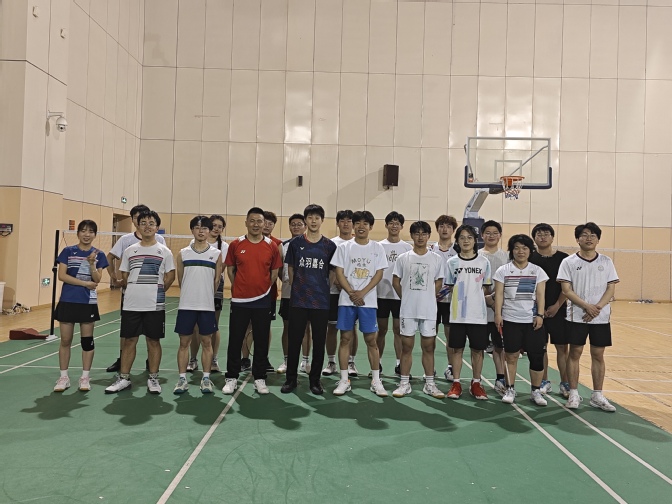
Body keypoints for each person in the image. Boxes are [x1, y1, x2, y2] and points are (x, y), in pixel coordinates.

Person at [105, 210, 175, 394]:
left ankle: (153, 378)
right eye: (143, 223)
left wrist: (157, 292)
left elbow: (170, 277)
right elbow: (125, 275)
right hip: (131, 304)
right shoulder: (130, 250)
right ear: (137, 226)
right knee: (129, 341)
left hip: (154, 305)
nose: (147, 226)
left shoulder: (164, 251)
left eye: (151, 223)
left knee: (153, 341)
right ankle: (124, 378)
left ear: (157, 227)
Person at [557, 222, 619, 412]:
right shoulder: (568, 262)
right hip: (577, 316)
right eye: (584, 235)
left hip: (600, 317)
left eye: (593, 235)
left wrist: (597, 308)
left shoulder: (606, 261)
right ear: (578, 239)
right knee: (575, 353)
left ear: (598, 239)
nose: (589, 238)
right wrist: (586, 306)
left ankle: (597, 395)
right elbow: (566, 290)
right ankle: (573, 393)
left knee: (598, 355)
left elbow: (611, 288)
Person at [222, 207, 282, 395]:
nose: (256, 224)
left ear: (264, 224)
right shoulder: (236, 244)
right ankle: (231, 377)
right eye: (252, 221)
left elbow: (274, 273)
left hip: (262, 301)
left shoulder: (272, 246)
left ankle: (260, 378)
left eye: (259, 221)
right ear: (246, 222)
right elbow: (230, 269)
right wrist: (239, 288)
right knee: (235, 339)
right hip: (239, 301)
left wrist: (263, 289)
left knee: (261, 340)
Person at [281, 204, 338, 395]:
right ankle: (291, 379)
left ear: (322, 220)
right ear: (306, 220)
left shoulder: (329, 246)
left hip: (320, 302)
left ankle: (315, 381)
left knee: (319, 341)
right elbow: (290, 268)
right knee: (295, 340)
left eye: (317, 218)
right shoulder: (295, 244)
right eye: (310, 218)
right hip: (298, 300)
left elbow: (332, 272)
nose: (313, 221)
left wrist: (323, 288)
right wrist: (298, 286)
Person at [330, 210, 388, 397]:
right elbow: (339, 272)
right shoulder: (344, 247)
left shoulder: (377, 248)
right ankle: (344, 380)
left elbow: (379, 274)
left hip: (367, 302)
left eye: (365, 223)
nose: (361, 226)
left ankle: (376, 380)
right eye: (358, 223)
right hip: (346, 301)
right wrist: (351, 293)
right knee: (345, 339)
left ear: (371, 227)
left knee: (371, 340)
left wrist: (362, 293)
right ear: (353, 226)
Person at [53, 220, 109, 392]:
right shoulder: (68, 251)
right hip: (68, 301)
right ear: (77, 233)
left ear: (95, 235)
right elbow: (62, 276)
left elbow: (97, 279)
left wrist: (92, 263)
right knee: (65, 340)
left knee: (87, 341)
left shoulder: (99, 254)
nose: (87, 234)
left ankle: (85, 377)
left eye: (91, 231)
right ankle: (64, 377)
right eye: (83, 231)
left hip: (87, 303)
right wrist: (84, 284)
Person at [391, 221, 445, 399]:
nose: (420, 237)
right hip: (408, 310)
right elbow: (396, 281)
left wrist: (428, 296)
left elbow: (439, 282)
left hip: (428, 310)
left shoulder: (436, 259)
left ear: (429, 236)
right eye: (417, 233)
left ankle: (430, 384)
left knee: (429, 347)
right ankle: (404, 383)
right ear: (412, 235)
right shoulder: (403, 258)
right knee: (406, 347)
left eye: (424, 233)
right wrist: (406, 297)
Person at [493, 234, 549, 406]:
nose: (520, 251)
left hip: (532, 320)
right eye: (516, 248)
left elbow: (541, 295)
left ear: (530, 251)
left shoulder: (537, 271)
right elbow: (499, 294)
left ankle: (536, 391)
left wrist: (540, 315)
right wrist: (498, 314)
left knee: (537, 357)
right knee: (511, 356)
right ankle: (510, 389)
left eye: (524, 248)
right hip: (510, 319)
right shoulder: (503, 270)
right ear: (511, 250)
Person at [173, 216, 223, 395]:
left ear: (210, 231)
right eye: (197, 227)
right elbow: (181, 279)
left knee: (207, 342)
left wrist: (205, 296)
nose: (201, 231)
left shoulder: (216, 254)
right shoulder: (183, 253)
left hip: (207, 306)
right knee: (184, 343)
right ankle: (182, 379)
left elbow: (216, 281)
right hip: (186, 305)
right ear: (192, 230)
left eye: (204, 228)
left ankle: (206, 379)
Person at [443, 225, 492, 400]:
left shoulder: (484, 262)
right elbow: (450, 287)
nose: (466, 241)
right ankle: (456, 383)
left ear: (475, 240)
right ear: (457, 241)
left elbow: (486, 288)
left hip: (478, 315)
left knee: (477, 350)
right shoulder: (451, 263)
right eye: (462, 237)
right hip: (458, 315)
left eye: (469, 237)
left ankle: (476, 383)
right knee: (457, 349)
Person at [530, 223, 570, 397]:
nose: (543, 237)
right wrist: (539, 309)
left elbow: (568, 286)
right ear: (534, 238)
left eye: (546, 234)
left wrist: (557, 305)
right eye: (539, 234)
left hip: (558, 310)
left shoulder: (564, 259)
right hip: (536, 311)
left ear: (552, 237)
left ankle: (565, 383)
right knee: (541, 348)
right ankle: (544, 381)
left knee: (562, 347)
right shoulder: (530, 258)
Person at [240, 210, 282, 372]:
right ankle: (245, 359)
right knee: (247, 326)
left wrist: (266, 287)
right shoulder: (242, 243)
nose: (267, 225)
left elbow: (276, 271)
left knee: (265, 327)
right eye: (266, 222)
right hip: (246, 295)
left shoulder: (276, 244)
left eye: (271, 223)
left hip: (268, 295)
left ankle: (263, 358)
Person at [187, 215, 229, 374]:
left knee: (213, 325)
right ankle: (193, 359)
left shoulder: (224, 246)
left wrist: (211, 284)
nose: (217, 228)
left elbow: (220, 268)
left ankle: (213, 359)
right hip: (196, 285)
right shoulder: (192, 243)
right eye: (214, 225)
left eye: (220, 226)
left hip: (215, 286)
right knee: (195, 326)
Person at [322, 210, 359, 377]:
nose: (346, 224)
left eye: (349, 221)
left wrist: (348, 287)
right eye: (342, 220)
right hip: (333, 292)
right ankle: (331, 362)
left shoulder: (358, 243)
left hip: (352, 293)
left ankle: (351, 362)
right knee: (331, 327)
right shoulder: (331, 244)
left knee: (351, 328)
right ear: (337, 223)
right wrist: (337, 282)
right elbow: (329, 268)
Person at [376, 211, 412, 377]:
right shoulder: (379, 246)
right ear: (386, 225)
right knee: (381, 330)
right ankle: (377, 362)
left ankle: (399, 364)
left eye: (397, 223)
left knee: (398, 330)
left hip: (400, 296)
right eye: (391, 223)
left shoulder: (407, 248)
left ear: (401, 226)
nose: (394, 226)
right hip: (381, 295)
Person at [277, 214, 312, 374]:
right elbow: (279, 270)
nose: (296, 227)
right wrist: (289, 283)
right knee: (287, 327)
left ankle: (305, 361)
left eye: (299, 224)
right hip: (288, 294)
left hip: (307, 295)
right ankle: (286, 360)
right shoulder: (283, 246)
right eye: (293, 224)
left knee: (306, 328)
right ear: (289, 226)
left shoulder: (311, 245)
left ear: (305, 226)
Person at [479, 220, 509, 394]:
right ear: (482, 235)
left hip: (501, 311)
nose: (491, 236)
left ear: (500, 235)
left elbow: (508, 282)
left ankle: (501, 378)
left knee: (499, 347)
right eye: (488, 233)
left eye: (495, 233)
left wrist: (493, 299)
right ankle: (477, 380)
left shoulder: (506, 257)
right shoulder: (476, 256)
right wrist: (486, 298)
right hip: (480, 311)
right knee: (478, 348)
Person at [430, 215, 459, 382]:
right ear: (437, 229)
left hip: (451, 302)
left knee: (451, 337)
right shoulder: (430, 249)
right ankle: (430, 368)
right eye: (441, 225)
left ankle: (450, 367)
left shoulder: (458, 250)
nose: (445, 229)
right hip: (432, 301)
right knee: (430, 336)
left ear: (453, 230)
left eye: (448, 226)